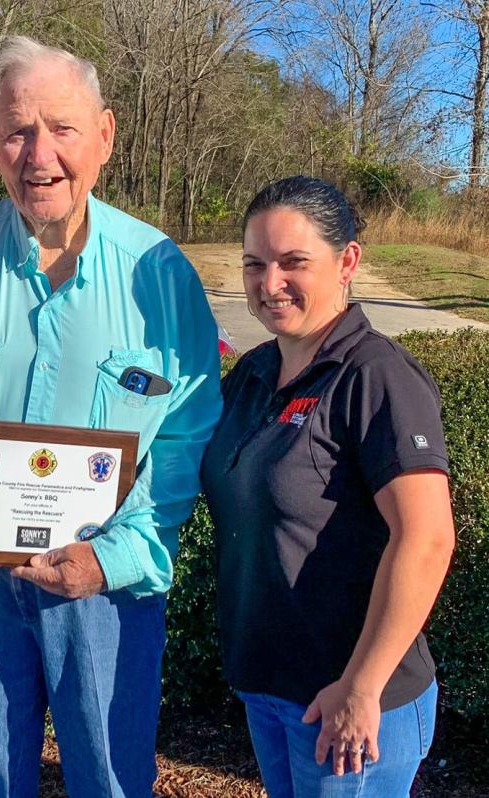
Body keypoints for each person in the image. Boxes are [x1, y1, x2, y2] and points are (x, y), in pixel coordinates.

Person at [0, 36, 222, 798]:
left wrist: (114, 555)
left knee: (112, 784)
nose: (38, 153)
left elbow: (186, 435)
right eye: (17, 130)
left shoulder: (158, 272)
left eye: (60, 128)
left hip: (108, 581)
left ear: (106, 135)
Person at [200, 176, 455, 797]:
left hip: (350, 699)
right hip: (268, 684)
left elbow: (426, 539)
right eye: (254, 264)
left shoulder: (376, 377)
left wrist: (361, 687)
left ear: (347, 263)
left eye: (294, 262)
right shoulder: (254, 374)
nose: (269, 283)